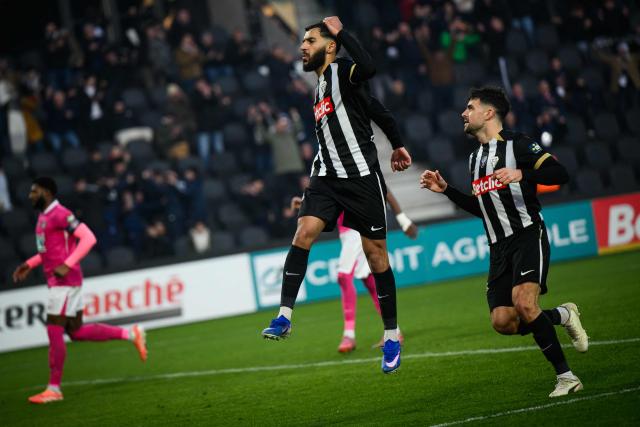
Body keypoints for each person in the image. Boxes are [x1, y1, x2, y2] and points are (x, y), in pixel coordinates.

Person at [260, 17, 412, 374]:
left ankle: (391, 335)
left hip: (360, 178)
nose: (302, 46)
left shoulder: (344, 71)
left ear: (329, 46)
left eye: (310, 40)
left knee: (377, 257)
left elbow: (372, 78)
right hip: (326, 177)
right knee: (302, 234)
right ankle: (284, 316)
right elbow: (379, 112)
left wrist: (398, 146)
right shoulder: (318, 89)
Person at [420, 86, 588, 397]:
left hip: (526, 235)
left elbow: (560, 173)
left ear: (488, 113)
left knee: (525, 304)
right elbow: (482, 208)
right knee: (503, 321)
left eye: (470, 107)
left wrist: (522, 174)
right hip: (498, 248)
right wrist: (446, 190)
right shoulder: (474, 159)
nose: (463, 113)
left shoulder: (518, 144)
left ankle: (566, 377)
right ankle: (562, 315)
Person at [12, 177, 148, 404]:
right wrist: (30, 264)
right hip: (62, 282)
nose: (30, 196)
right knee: (75, 332)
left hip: (64, 283)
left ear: (46, 191)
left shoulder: (61, 214)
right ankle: (131, 334)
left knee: (54, 330)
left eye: (34, 191)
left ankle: (54, 388)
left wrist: (68, 263)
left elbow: (89, 238)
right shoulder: (44, 217)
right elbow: (48, 253)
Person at [291, 188, 417, 354]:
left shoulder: (354, 166)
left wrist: (403, 220)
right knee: (370, 281)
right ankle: (395, 332)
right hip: (347, 232)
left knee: (343, 276)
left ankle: (349, 335)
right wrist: (307, 205)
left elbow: (382, 188)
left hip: (358, 228)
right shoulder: (332, 171)